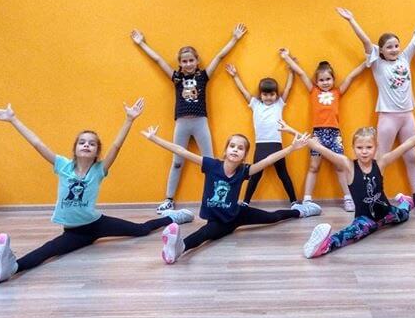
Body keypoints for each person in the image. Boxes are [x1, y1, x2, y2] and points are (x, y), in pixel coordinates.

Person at [0, 98, 193, 285]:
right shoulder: (63, 166)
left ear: (96, 152)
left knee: (141, 230)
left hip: (97, 224)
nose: (86, 145)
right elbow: (37, 143)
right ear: (75, 148)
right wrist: (14, 120)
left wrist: (129, 120)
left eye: (92, 144)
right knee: (48, 251)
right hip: (74, 231)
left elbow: (116, 146)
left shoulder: (99, 170)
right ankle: (10, 268)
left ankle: (173, 217)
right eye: (82, 142)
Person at [140, 126, 321, 264]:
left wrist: (291, 148)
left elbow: (267, 161)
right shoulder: (211, 165)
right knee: (206, 233)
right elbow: (182, 151)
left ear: (244, 155)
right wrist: (154, 138)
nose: (235, 149)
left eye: (240, 148)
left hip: (237, 213)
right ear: (225, 150)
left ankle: (302, 211)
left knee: (273, 217)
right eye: (232, 146)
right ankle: (179, 248)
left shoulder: (244, 171)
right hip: (220, 221)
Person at [285, 114, 415, 258]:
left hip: (387, 213)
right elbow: (316, 145)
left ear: (375, 148)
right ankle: (323, 246)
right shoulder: (348, 165)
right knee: (352, 233)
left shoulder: (381, 162)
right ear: (353, 148)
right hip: (365, 219)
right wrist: (292, 131)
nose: (364, 151)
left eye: (368, 147)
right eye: (359, 147)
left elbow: (409, 143)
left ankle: (406, 202)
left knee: (403, 214)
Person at [336, 0, 415, 210]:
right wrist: (351, 20)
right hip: (388, 117)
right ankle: (374, 196)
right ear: (381, 51)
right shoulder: (377, 64)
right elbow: (366, 42)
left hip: (407, 115)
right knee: (378, 159)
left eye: (396, 46)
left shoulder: (405, 58)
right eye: (389, 47)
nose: (394, 49)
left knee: (411, 156)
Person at [131, 24, 247, 213]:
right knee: (177, 162)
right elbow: (158, 60)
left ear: (197, 61)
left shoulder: (203, 76)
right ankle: (168, 199)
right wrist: (141, 43)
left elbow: (219, 57)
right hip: (182, 123)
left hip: (200, 122)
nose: (188, 64)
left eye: (191, 60)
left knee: (211, 163)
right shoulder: (176, 78)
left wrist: (234, 39)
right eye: (184, 61)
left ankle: (218, 198)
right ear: (180, 63)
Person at [279, 48, 367, 211]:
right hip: (318, 134)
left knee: (340, 166)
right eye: (321, 80)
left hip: (334, 134)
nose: (325, 82)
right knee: (314, 167)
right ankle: (307, 200)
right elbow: (301, 74)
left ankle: (348, 198)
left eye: (328, 79)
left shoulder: (337, 92)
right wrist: (286, 58)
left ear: (333, 79)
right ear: (316, 81)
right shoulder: (313, 91)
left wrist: (366, 63)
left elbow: (351, 76)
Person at [225, 61, 299, 206]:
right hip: (261, 145)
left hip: (276, 145)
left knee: (283, 174)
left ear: (276, 94)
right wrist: (235, 76)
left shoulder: (279, 104)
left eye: (272, 94)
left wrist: (291, 72)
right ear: (260, 95)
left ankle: (294, 201)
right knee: (255, 175)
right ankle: (245, 202)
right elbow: (244, 91)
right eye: (265, 94)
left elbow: (288, 88)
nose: (268, 97)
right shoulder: (255, 104)